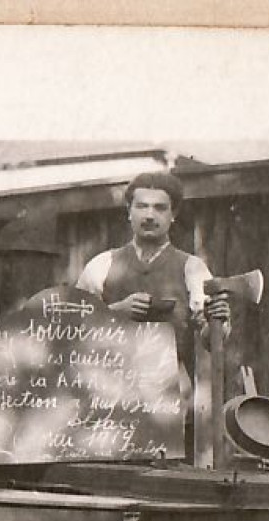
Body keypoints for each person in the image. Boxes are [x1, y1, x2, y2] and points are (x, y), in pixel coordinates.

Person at [74, 172, 230, 453]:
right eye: (141, 206)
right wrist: (115, 312)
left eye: (160, 208)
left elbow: (209, 338)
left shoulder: (191, 268)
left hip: (167, 395)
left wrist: (217, 321)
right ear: (128, 212)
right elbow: (71, 329)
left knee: (161, 476)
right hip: (108, 392)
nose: (149, 215)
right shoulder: (102, 264)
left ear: (174, 215)